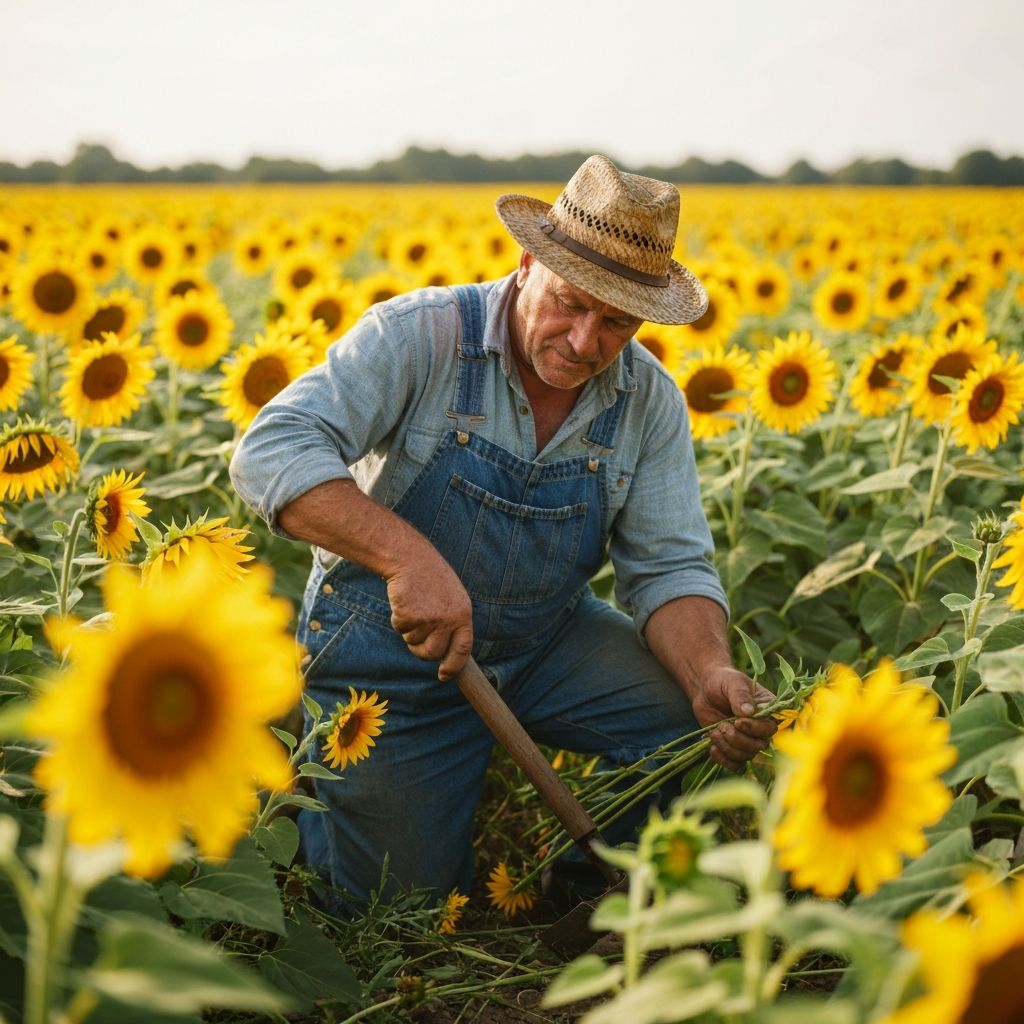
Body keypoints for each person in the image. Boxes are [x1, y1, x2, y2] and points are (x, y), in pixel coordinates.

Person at [229, 154, 776, 910]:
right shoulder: (419, 337)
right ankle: (301, 765)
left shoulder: (647, 401)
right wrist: (405, 556)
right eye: (570, 304)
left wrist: (708, 670)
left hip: (540, 641)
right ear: (526, 264)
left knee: (682, 712)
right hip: (390, 662)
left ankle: (590, 899)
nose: (585, 341)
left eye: (616, 321)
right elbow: (271, 449)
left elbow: (669, 567)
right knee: (397, 906)